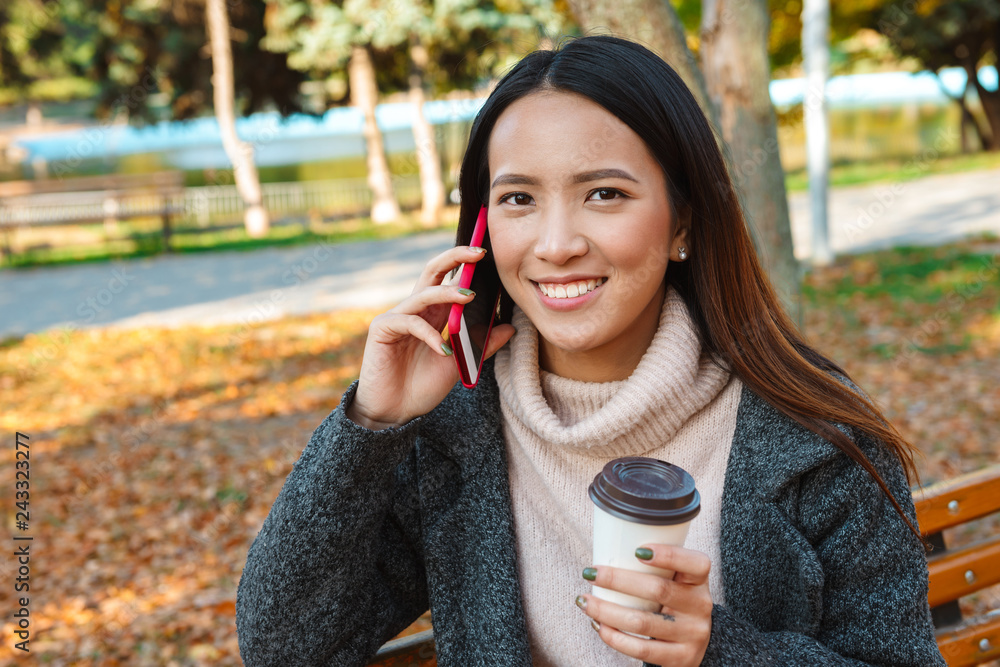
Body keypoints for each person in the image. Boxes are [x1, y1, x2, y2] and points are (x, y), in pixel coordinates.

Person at [235, 35, 945, 666]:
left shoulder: (812, 434)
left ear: (682, 223)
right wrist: (371, 425)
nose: (555, 244)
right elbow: (284, 645)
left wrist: (722, 649)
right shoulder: (453, 435)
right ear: (481, 228)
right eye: (519, 199)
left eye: (604, 193)